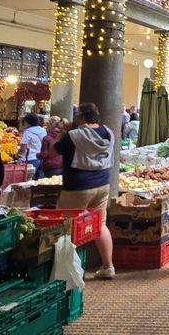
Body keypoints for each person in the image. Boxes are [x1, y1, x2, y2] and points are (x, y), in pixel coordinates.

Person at [54, 103, 115, 279]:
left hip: (77, 187)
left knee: (67, 226)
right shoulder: (108, 132)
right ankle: (108, 266)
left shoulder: (74, 135)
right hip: (102, 184)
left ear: (81, 116)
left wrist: (63, 133)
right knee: (100, 224)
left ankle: (67, 271)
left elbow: (52, 152)